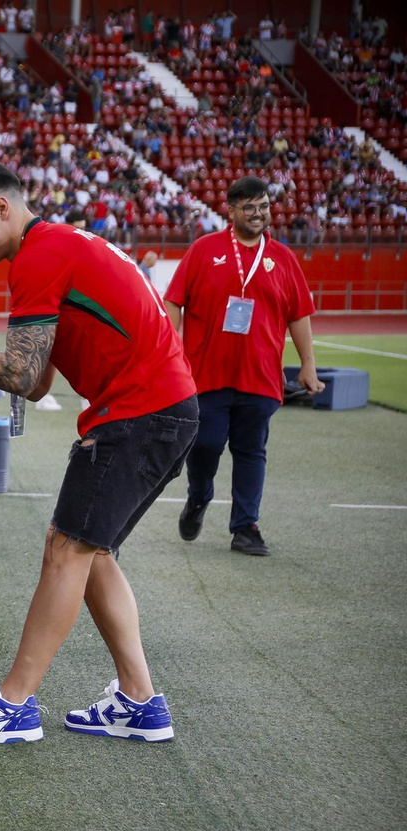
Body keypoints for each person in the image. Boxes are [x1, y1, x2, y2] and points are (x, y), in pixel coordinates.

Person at [0, 158, 199, 745]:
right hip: (162, 410)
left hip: (139, 413)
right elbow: (37, 384)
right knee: (90, 551)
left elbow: (20, 372)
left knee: (67, 550)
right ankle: (140, 701)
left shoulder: (38, 257)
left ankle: (13, 705)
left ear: (3, 207)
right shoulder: (59, 246)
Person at [163, 176, 322, 556]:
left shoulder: (283, 258)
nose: (258, 214)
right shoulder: (205, 249)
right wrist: (170, 351)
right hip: (206, 375)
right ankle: (199, 497)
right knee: (206, 445)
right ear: (230, 210)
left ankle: (245, 528)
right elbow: (173, 302)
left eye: (264, 206)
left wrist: (308, 365)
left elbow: (299, 315)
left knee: (251, 451)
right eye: (249, 207)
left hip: (261, 376)